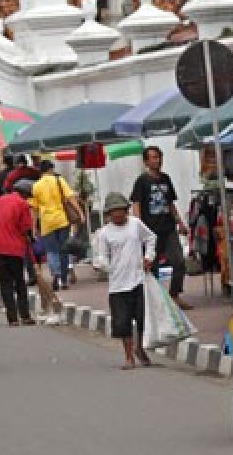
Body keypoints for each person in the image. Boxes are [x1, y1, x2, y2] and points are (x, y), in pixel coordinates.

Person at [94, 192, 156, 370]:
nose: (118, 214)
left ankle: (140, 348)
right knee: (122, 324)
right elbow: (102, 257)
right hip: (118, 285)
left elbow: (151, 238)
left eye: (121, 210)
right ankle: (129, 356)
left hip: (138, 280)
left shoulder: (136, 225)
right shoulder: (104, 234)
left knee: (144, 319)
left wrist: (149, 256)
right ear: (109, 214)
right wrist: (102, 266)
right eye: (114, 211)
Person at [130, 146, 192, 310]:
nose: (156, 160)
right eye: (152, 158)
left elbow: (170, 203)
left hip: (169, 228)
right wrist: (137, 227)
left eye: (158, 157)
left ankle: (174, 295)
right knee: (152, 266)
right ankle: (155, 300)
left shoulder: (166, 179)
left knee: (179, 261)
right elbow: (136, 204)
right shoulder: (141, 181)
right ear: (146, 161)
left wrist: (180, 222)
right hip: (150, 231)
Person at [0, 178, 37, 326]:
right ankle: (25, 316)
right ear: (25, 194)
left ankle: (12, 318)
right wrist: (30, 238)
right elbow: (26, 228)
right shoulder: (23, 204)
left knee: (5, 285)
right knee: (19, 283)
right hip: (15, 250)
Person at [31, 160, 81, 291]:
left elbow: (34, 209)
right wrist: (80, 213)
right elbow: (70, 197)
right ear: (50, 169)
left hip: (47, 222)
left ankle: (56, 275)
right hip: (62, 220)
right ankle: (64, 280)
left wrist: (33, 227)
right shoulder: (59, 180)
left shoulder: (36, 186)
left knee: (52, 251)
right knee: (64, 249)